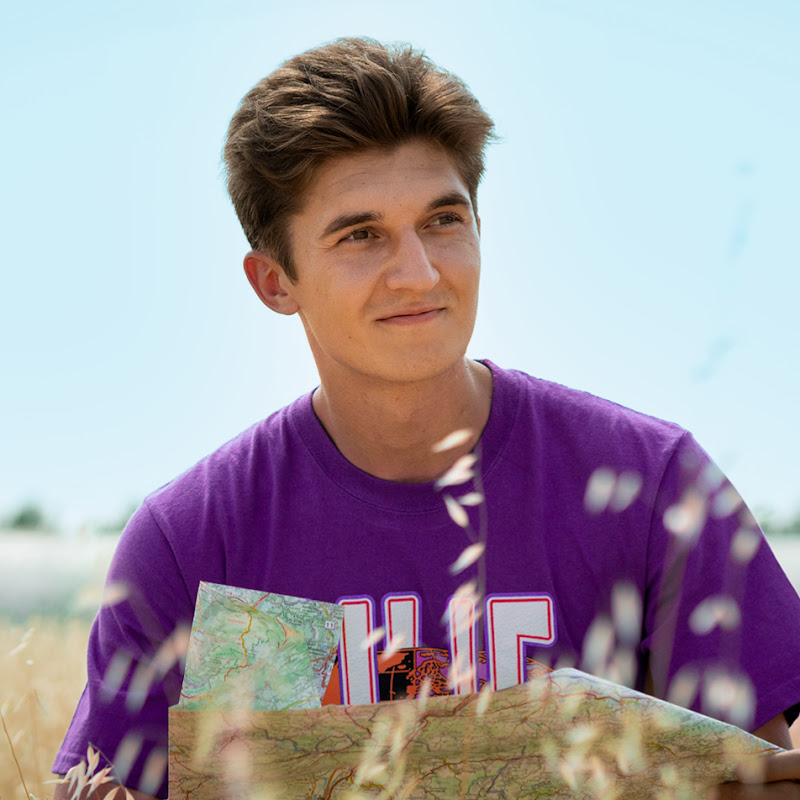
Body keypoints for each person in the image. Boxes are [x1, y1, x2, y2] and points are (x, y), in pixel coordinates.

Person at [53, 37, 800, 799]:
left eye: (443, 221)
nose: (419, 272)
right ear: (275, 281)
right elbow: (103, 786)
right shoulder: (193, 539)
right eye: (361, 235)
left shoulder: (653, 485)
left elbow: (763, 777)